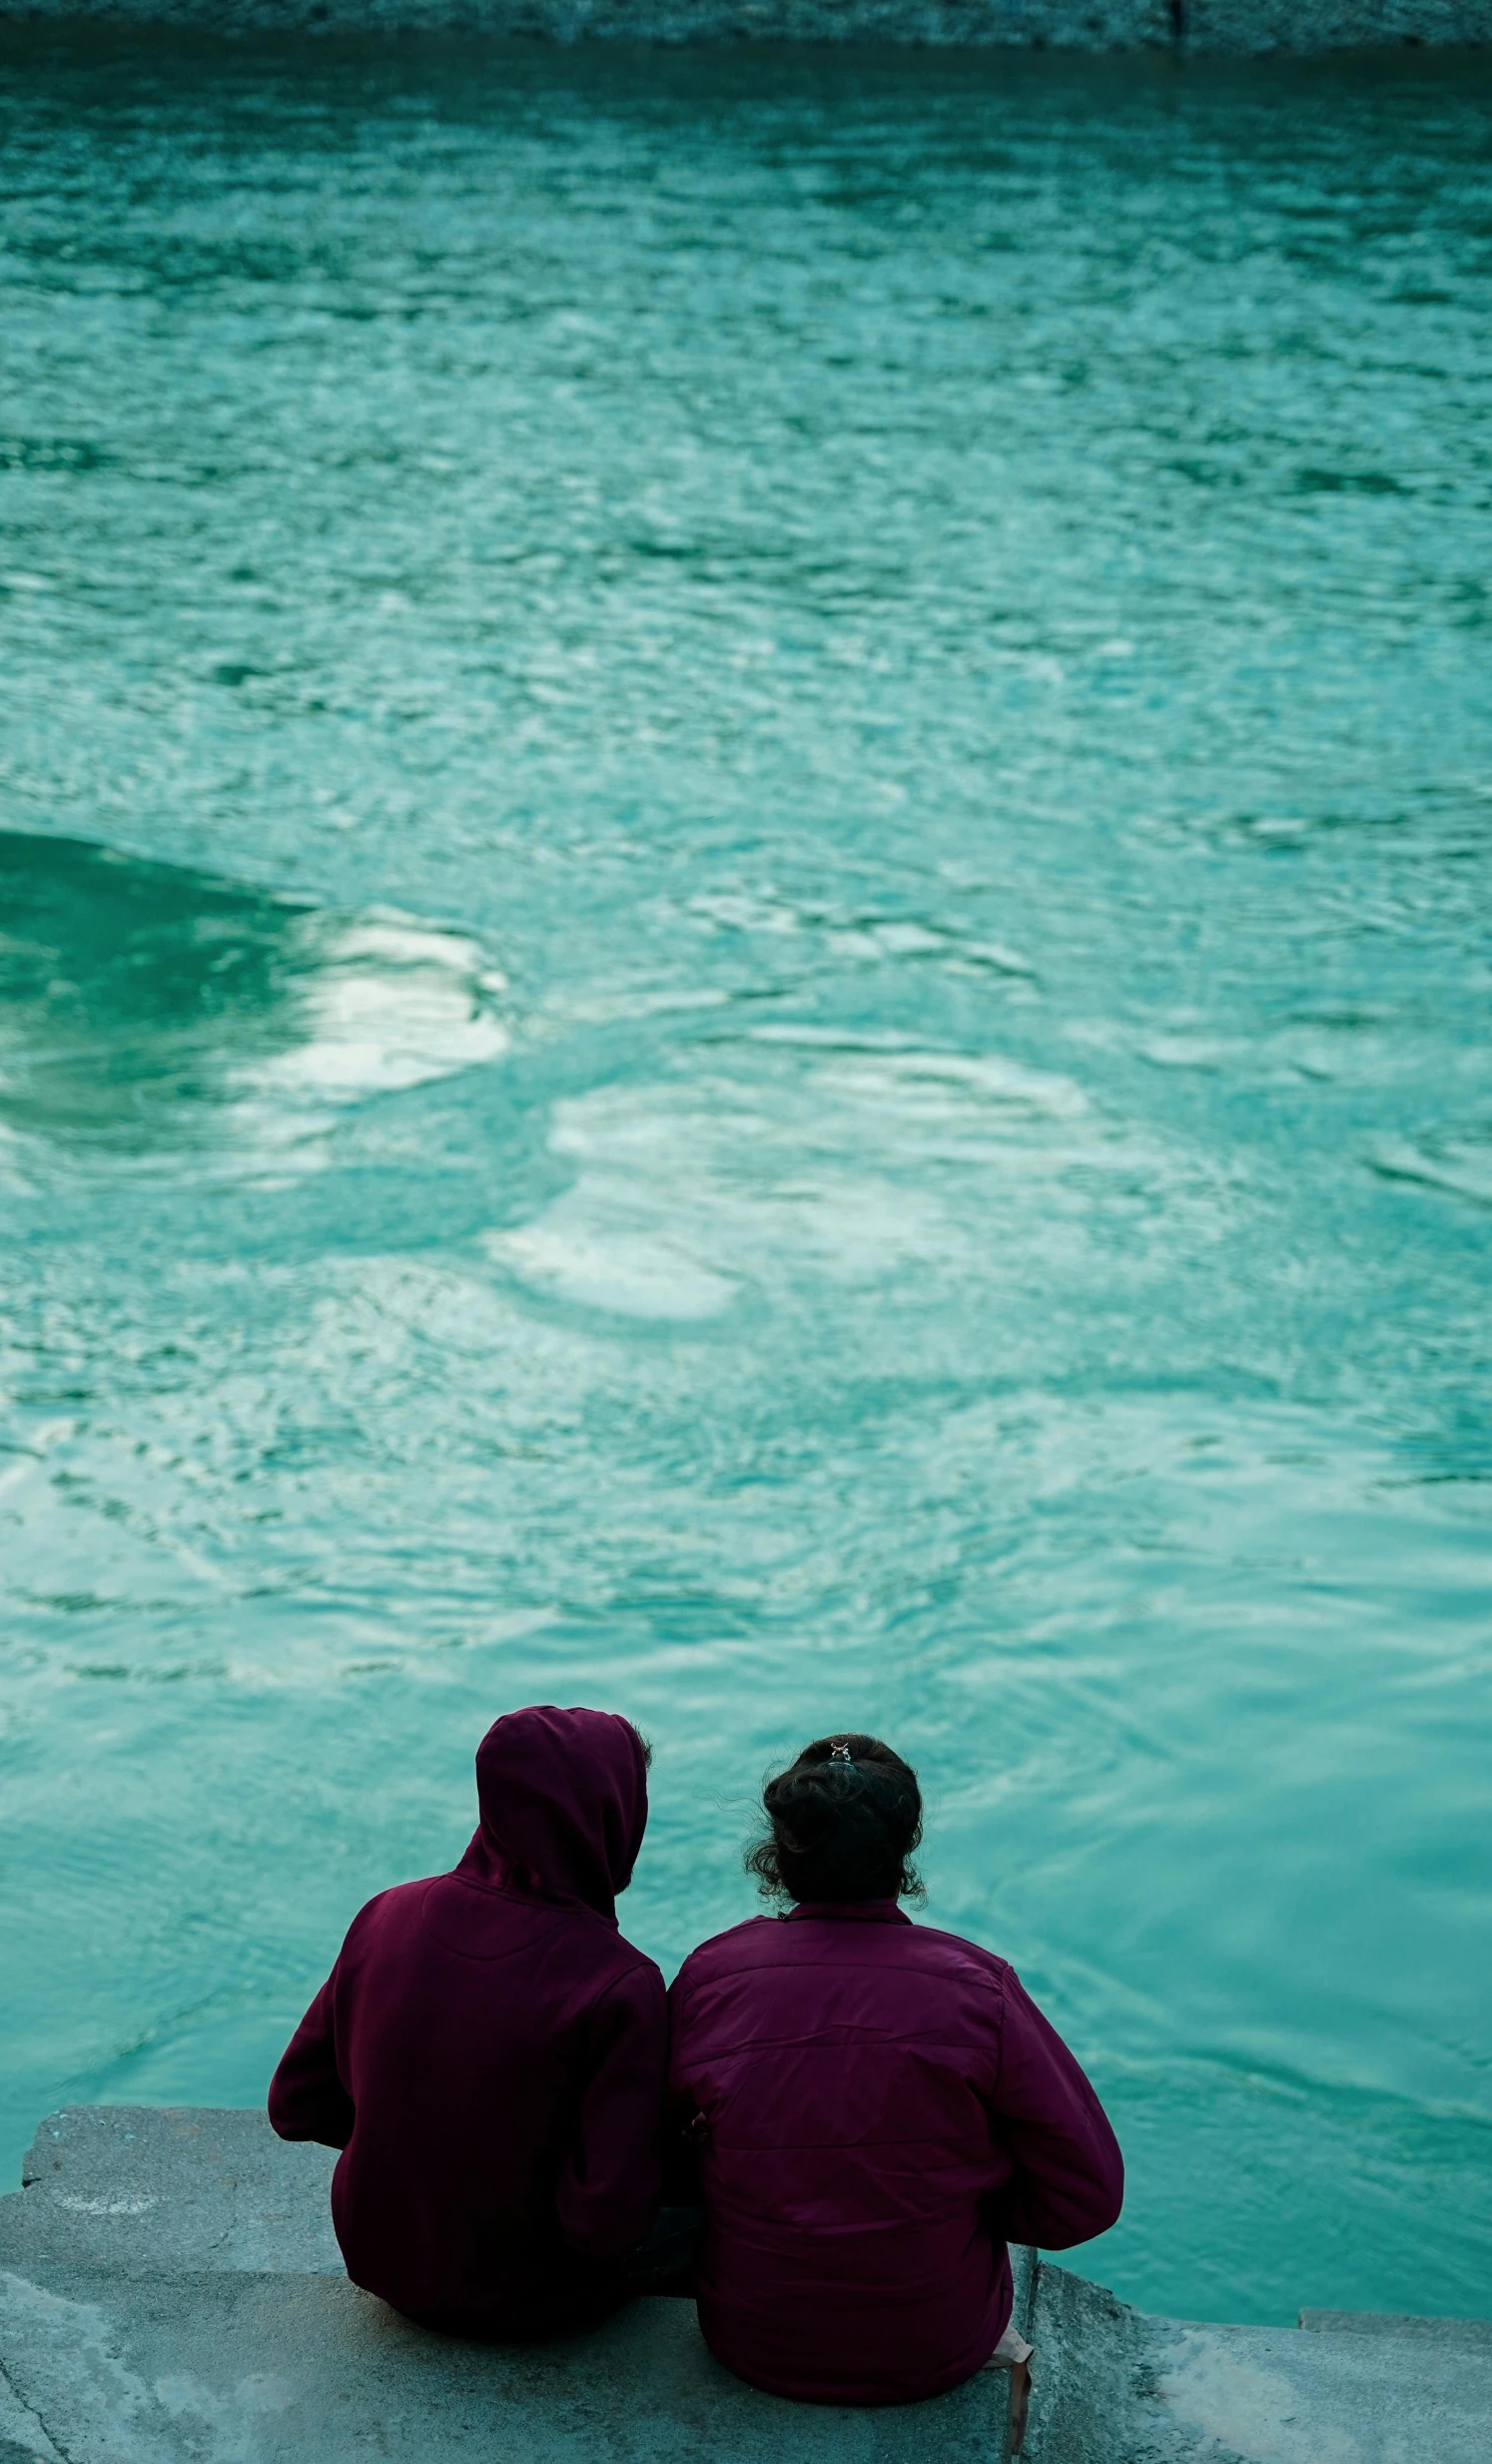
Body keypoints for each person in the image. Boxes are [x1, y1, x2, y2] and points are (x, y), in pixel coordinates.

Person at [667, 1733, 1122, 2426]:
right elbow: (1088, 2195)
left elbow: (662, 2144)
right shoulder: (977, 1987)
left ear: (780, 1852)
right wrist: (966, 2204)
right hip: (934, 2345)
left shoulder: (710, 1975)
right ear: (904, 1847)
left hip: (751, 2339)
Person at [268, 1704, 667, 2337]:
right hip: (536, 2301)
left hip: (383, 2264)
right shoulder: (620, 1983)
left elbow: (295, 2106)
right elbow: (604, 2223)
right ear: (616, 1814)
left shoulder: (385, 1915)